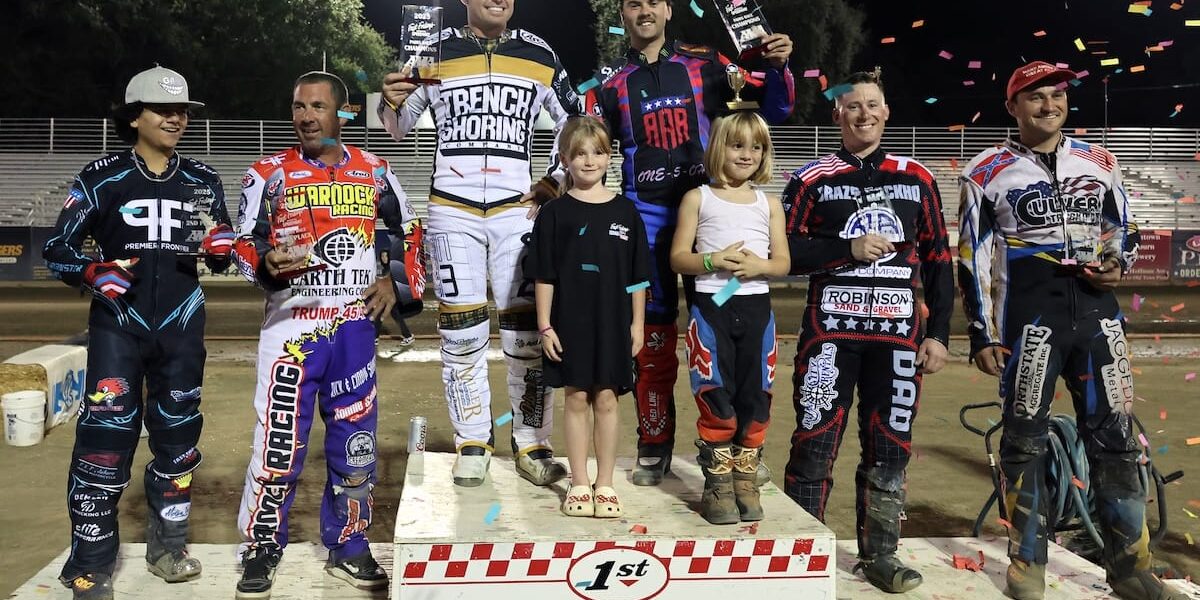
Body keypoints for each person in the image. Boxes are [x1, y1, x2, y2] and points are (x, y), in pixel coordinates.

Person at [959, 61, 1173, 600]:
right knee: (1024, 440)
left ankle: (1130, 567)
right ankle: (1027, 564)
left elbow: (1121, 224)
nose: (1049, 104)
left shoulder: (1099, 160)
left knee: (1117, 438)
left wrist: (1118, 261)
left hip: (1099, 318)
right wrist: (982, 333)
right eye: (1035, 97)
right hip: (1030, 322)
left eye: (1056, 94)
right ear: (1012, 107)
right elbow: (971, 255)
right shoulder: (985, 170)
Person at [584, 0, 795, 485]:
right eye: (634, 3)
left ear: (668, 9)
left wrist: (778, 66)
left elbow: (775, 109)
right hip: (648, 231)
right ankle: (655, 443)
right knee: (652, 344)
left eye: (653, 2)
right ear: (623, 13)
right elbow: (585, 147)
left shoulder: (707, 63)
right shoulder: (609, 84)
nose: (644, 10)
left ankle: (742, 446)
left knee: (729, 339)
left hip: (712, 223)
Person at [231, 71, 424, 599]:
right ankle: (262, 546)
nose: (306, 116)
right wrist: (265, 264)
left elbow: (411, 231)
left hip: (354, 331)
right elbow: (242, 243)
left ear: (342, 112)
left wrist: (396, 282)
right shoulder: (267, 173)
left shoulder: (375, 169)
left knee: (356, 446)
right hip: (291, 333)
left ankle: (350, 545)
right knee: (278, 446)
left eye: (317, 106)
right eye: (298, 106)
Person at [43, 65, 232, 600]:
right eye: (162, 110)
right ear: (133, 117)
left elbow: (219, 251)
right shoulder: (101, 177)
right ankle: (89, 563)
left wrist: (222, 250)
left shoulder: (204, 180)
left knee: (178, 442)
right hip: (117, 328)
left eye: (182, 112)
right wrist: (90, 272)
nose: (175, 119)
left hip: (182, 327)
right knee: (104, 444)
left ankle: (168, 549)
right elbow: (57, 249)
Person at [379, 0, 581, 488]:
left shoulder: (540, 54)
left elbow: (576, 122)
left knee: (527, 335)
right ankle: (472, 441)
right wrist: (389, 101)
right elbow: (397, 128)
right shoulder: (432, 51)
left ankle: (532, 443)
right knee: (462, 334)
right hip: (452, 211)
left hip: (518, 212)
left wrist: (554, 180)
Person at [780, 70, 953, 593]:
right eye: (853, 106)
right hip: (829, 337)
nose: (864, 114)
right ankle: (800, 555)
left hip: (899, 341)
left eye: (872, 104)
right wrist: (846, 249)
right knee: (814, 444)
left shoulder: (917, 177)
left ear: (886, 112)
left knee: (890, 449)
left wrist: (938, 334)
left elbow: (939, 260)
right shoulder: (811, 179)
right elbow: (783, 252)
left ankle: (880, 555)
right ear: (837, 113)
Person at [668, 112, 788, 524]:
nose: (747, 154)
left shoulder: (769, 204)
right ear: (719, 147)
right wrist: (712, 260)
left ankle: (745, 478)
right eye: (737, 145)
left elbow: (783, 263)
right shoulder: (697, 198)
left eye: (756, 147)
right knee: (715, 394)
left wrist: (760, 266)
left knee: (756, 397)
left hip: (756, 310)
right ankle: (718, 482)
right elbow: (677, 258)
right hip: (712, 307)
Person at [531, 116, 649, 518]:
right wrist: (545, 325)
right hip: (570, 322)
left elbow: (637, 278)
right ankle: (580, 482)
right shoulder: (554, 214)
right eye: (579, 153)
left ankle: (606, 483)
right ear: (564, 159)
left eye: (597, 152)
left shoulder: (626, 212)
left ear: (608, 156)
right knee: (577, 397)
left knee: (608, 399)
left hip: (613, 322)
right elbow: (544, 275)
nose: (589, 160)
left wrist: (637, 324)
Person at [374, 227, 420, 359]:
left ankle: (377, 337)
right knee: (391, 317)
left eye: (385, 256)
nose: (384, 258)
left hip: (394, 298)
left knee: (381, 316)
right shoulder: (385, 269)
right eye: (382, 256)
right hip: (390, 298)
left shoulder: (391, 267)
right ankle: (407, 336)